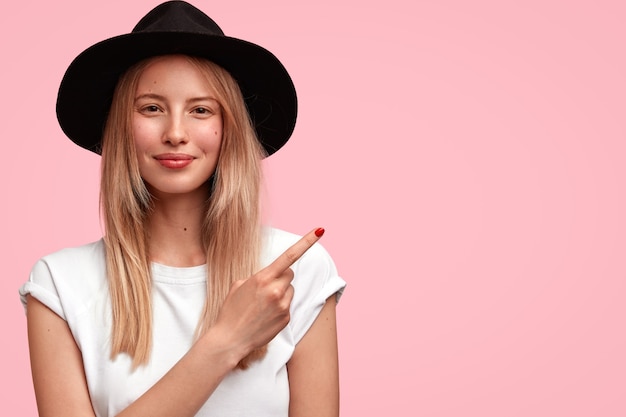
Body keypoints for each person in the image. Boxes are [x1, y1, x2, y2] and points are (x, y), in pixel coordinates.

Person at [19, 1, 345, 416]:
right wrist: (225, 342)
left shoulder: (297, 272)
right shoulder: (59, 284)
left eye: (200, 110)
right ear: (122, 125)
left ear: (228, 128)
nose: (175, 133)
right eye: (152, 108)